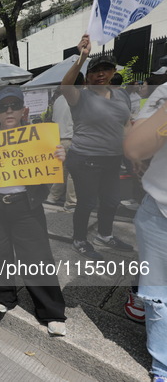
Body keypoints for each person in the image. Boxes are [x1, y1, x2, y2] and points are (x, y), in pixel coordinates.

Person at [0, 85, 67, 336]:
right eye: (3, 108)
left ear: (24, 110)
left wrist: (59, 155)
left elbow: (52, 167)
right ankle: (2, 297)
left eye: (14, 106)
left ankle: (51, 311)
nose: (9, 111)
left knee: (37, 257)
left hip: (26, 205)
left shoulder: (39, 136)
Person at [61, 34, 134, 261]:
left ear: (113, 72)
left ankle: (104, 235)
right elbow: (65, 85)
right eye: (95, 71)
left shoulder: (122, 95)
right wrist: (82, 58)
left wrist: (133, 151)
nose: (101, 74)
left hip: (113, 159)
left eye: (106, 69)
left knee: (111, 201)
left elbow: (127, 124)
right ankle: (80, 240)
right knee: (87, 202)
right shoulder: (80, 96)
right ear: (89, 76)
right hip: (85, 159)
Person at [124, 83, 167, 382]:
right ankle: (161, 368)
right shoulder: (164, 92)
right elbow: (135, 146)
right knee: (157, 298)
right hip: (159, 213)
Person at [45, 74, 83, 211]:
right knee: (74, 173)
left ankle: (53, 197)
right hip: (73, 139)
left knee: (61, 171)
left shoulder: (59, 99)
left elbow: (54, 120)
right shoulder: (79, 97)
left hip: (59, 140)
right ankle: (71, 203)